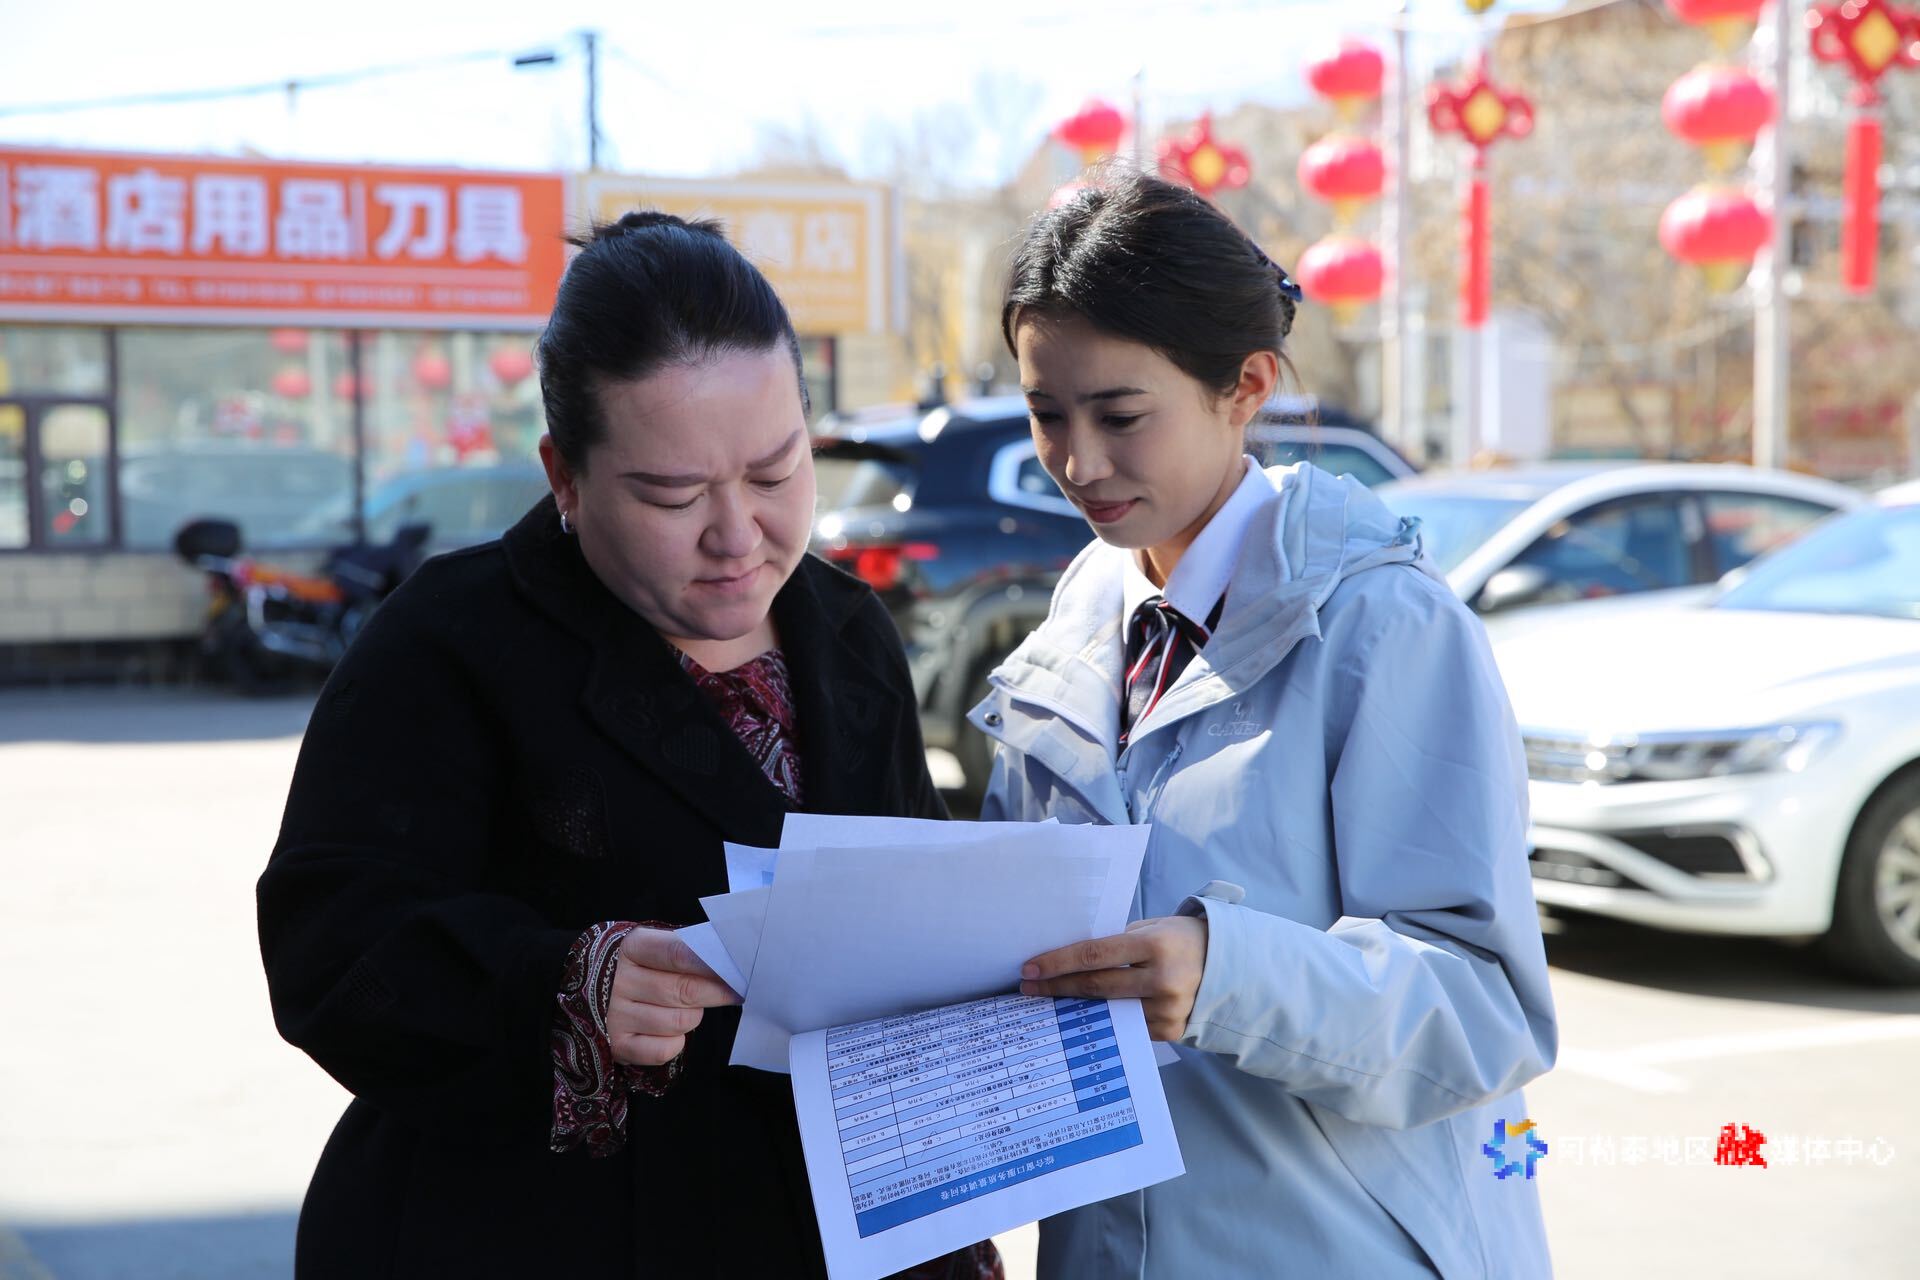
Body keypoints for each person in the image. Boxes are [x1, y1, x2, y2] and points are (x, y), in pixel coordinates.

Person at [258, 211, 1000, 1279]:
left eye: (776, 472)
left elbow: (911, 925)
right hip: (530, 1232)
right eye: (673, 494)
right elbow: (329, 944)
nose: (737, 535)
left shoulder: (847, 631)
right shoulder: (451, 638)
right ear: (564, 476)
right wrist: (568, 981)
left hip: (809, 1228)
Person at [973, 170, 1558, 1277]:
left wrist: (1225, 975)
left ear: (1245, 386)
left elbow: (1483, 1012)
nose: (1078, 463)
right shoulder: (1074, 630)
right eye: (1048, 415)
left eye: (1121, 415)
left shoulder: (1382, 626)